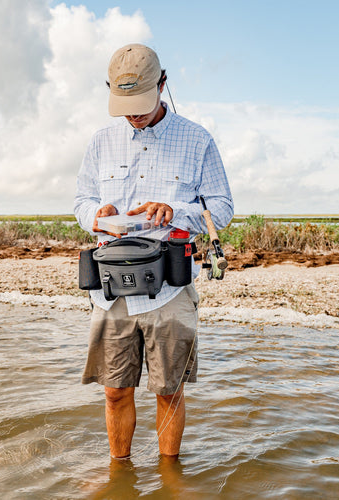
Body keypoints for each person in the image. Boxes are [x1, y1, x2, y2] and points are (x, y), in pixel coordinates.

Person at [74, 43, 233, 459]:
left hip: (170, 289)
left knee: (170, 392)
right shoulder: (100, 142)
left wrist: (176, 211)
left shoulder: (197, 139)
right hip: (110, 291)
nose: (134, 113)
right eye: (124, 104)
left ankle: (169, 476)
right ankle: (119, 473)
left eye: (142, 102)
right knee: (113, 393)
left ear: (163, 84)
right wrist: (96, 214)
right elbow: (80, 202)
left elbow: (222, 208)